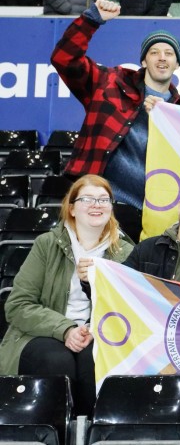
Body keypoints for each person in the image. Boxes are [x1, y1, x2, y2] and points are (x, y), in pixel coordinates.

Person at [0, 175, 133, 417]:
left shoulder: (126, 252)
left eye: (103, 199)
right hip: (42, 333)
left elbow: (130, 309)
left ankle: (92, 430)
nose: (96, 205)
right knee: (55, 361)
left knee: (93, 362)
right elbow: (18, 305)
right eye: (87, 199)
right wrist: (66, 329)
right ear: (71, 208)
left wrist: (93, 328)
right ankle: (52, 431)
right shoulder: (46, 245)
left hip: (100, 335)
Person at [51, 0, 180, 207]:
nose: (162, 57)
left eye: (169, 53)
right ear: (143, 61)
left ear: (177, 64)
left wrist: (164, 116)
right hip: (97, 203)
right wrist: (91, 19)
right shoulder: (109, 82)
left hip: (149, 211)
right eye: (154, 52)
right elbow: (64, 59)